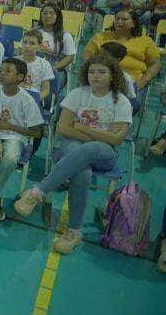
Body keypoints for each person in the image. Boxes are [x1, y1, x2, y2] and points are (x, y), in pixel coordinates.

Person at [15, 54, 132, 255]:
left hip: (104, 153)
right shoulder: (77, 94)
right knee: (82, 173)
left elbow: (115, 141)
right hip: (74, 146)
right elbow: (62, 129)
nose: (95, 76)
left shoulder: (121, 101)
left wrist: (81, 128)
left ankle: (37, 192)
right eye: (91, 71)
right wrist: (100, 134)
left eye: (102, 72)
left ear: (113, 75)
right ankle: (74, 231)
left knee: (91, 149)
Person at [0, 58, 44, 226]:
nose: (2, 73)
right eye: (1, 70)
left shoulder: (26, 100)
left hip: (15, 136)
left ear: (20, 77)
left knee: (10, 159)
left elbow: (37, 131)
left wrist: (11, 126)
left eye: (7, 71)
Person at [83, 9, 160, 93]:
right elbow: (87, 56)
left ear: (133, 23)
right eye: (117, 19)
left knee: (134, 102)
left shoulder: (146, 41)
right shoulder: (100, 37)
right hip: (102, 80)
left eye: (124, 19)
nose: (119, 21)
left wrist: (141, 82)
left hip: (134, 82)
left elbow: (155, 64)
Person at [18, 29, 55, 107]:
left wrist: (35, 100)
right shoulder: (14, 61)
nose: (27, 46)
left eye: (32, 43)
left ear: (39, 46)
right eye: (25, 42)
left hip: (33, 99)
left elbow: (46, 90)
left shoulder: (44, 64)